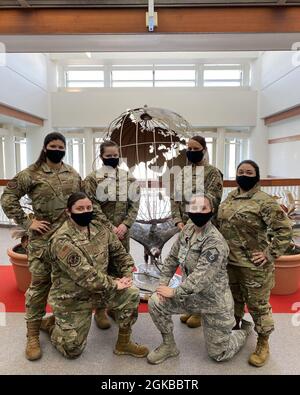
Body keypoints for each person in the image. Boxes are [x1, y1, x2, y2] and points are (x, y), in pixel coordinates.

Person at [1, 132, 82, 361]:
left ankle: (54, 321)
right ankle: (33, 335)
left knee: (67, 284)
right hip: (43, 241)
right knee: (39, 288)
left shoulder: (72, 173)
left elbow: (82, 202)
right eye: (53, 146)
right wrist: (28, 222)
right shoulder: (31, 173)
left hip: (68, 241)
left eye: (61, 146)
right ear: (45, 148)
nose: (58, 149)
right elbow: (8, 197)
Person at [40, 192, 148, 359]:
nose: (85, 212)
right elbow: (86, 275)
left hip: (101, 289)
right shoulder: (62, 239)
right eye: (80, 208)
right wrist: (114, 284)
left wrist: (127, 276)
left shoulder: (100, 228)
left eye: (89, 208)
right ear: (69, 212)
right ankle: (51, 325)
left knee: (131, 292)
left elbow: (120, 254)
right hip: (73, 298)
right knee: (72, 350)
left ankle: (123, 343)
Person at [147, 195, 252, 365]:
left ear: (212, 211)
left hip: (214, 302)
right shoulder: (188, 229)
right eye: (194, 208)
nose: (198, 212)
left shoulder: (215, 241)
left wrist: (173, 291)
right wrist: (162, 285)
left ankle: (242, 332)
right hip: (191, 296)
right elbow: (172, 258)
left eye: (203, 208)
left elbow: (200, 278)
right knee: (155, 302)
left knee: (219, 354)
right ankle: (169, 346)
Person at [217, 160, 292, 367]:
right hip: (230, 264)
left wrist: (269, 254)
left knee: (258, 306)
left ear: (257, 176)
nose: (244, 175)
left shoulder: (264, 201)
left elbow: (284, 230)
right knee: (233, 301)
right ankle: (236, 329)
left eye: (249, 172)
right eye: (240, 172)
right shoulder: (230, 197)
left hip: (254, 266)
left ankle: (263, 342)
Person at [84, 140, 140, 329]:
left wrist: (125, 225)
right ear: (101, 156)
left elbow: (135, 204)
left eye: (115, 156)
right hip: (100, 233)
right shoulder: (92, 179)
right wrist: (110, 227)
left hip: (123, 234)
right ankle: (99, 311)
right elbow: (91, 205)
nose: (112, 158)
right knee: (101, 271)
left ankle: (115, 307)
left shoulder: (128, 178)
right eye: (108, 156)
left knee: (119, 268)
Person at [171, 135, 223, 329]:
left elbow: (212, 201)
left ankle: (201, 310)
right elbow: (174, 199)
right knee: (186, 265)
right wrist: (178, 222)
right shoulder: (182, 172)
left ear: (204, 149)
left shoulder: (212, 173)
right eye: (189, 148)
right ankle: (191, 305)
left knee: (202, 268)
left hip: (203, 226)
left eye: (196, 148)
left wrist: (195, 222)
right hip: (184, 228)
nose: (191, 151)